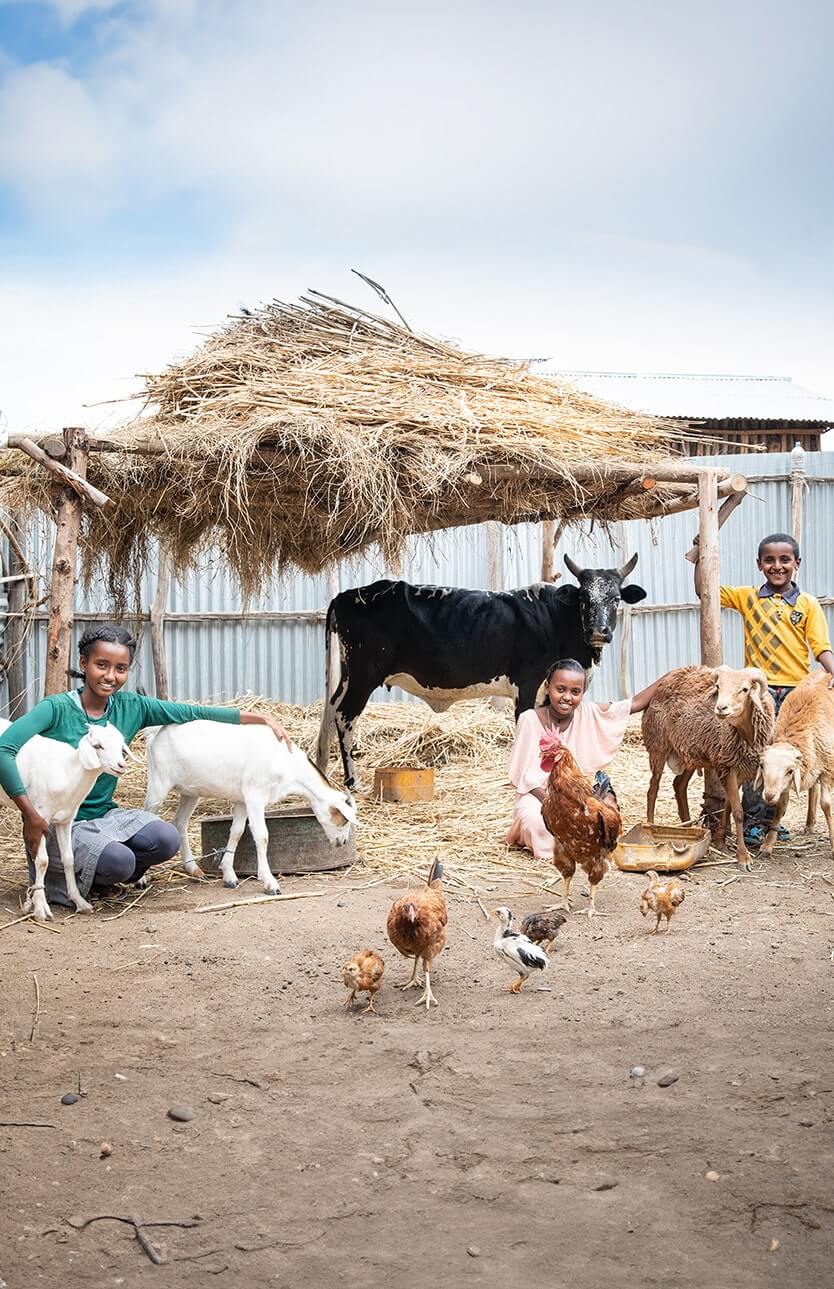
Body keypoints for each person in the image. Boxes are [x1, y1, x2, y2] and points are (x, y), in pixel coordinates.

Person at [0, 625, 290, 908]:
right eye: (102, 665)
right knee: (120, 861)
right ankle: (66, 884)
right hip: (61, 821)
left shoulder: (131, 706)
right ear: (83, 662)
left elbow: (192, 711)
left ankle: (97, 876)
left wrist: (260, 718)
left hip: (105, 815)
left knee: (166, 839)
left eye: (121, 668)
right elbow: (5, 748)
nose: (111, 676)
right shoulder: (56, 708)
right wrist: (29, 812)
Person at [694, 531, 834, 846]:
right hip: (758, 695)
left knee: (784, 760)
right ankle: (756, 822)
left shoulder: (808, 605)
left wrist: (831, 668)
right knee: (756, 755)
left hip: (795, 694)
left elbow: (820, 645)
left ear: (797, 563)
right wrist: (699, 554)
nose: (777, 566)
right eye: (769, 560)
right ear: (759, 564)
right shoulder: (748, 597)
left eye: (785, 560)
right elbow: (706, 591)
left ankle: (775, 821)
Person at [505, 658, 658, 863]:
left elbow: (634, 704)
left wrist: (669, 678)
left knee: (601, 818)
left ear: (582, 694)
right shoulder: (528, 719)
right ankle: (561, 850)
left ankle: (584, 847)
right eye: (561, 689)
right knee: (535, 822)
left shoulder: (589, 713)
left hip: (577, 795)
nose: (567, 697)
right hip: (538, 796)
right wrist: (555, 806)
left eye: (575, 692)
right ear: (547, 687)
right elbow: (523, 775)